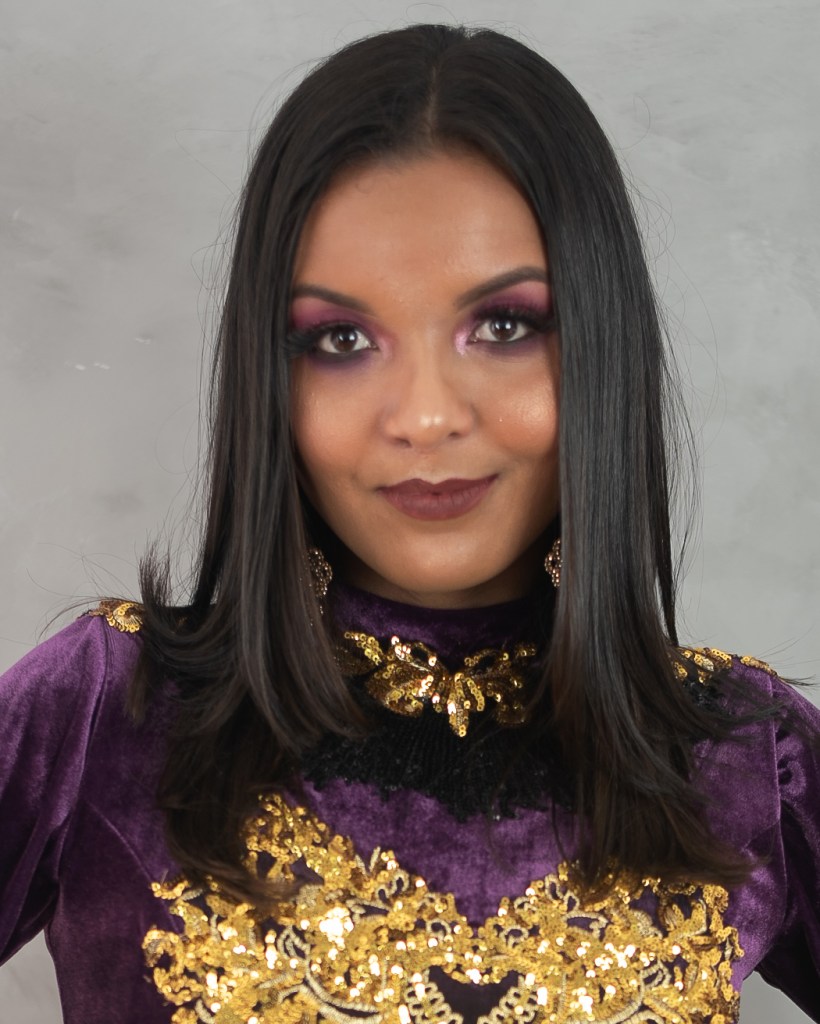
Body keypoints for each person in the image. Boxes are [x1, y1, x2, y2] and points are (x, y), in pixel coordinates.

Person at [0, 22, 818, 1024]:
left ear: (599, 345)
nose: (426, 416)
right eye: (341, 339)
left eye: (504, 326)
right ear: (272, 373)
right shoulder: (106, 714)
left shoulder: (745, 756)